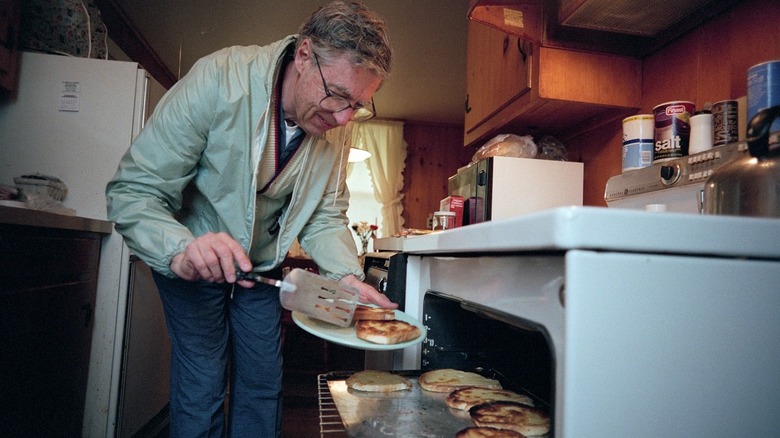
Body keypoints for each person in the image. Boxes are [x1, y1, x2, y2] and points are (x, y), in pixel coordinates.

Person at [105, 2, 396, 436]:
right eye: (336, 95)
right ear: (303, 54)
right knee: (203, 381)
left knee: (262, 381)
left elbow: (325, 214)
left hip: (263, 269)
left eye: (357, 105)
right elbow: (135, 191)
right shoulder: (217, 79)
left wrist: (346, 274)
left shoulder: (339, 120)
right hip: (192, 258)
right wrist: (180, 251)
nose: (342, 119)